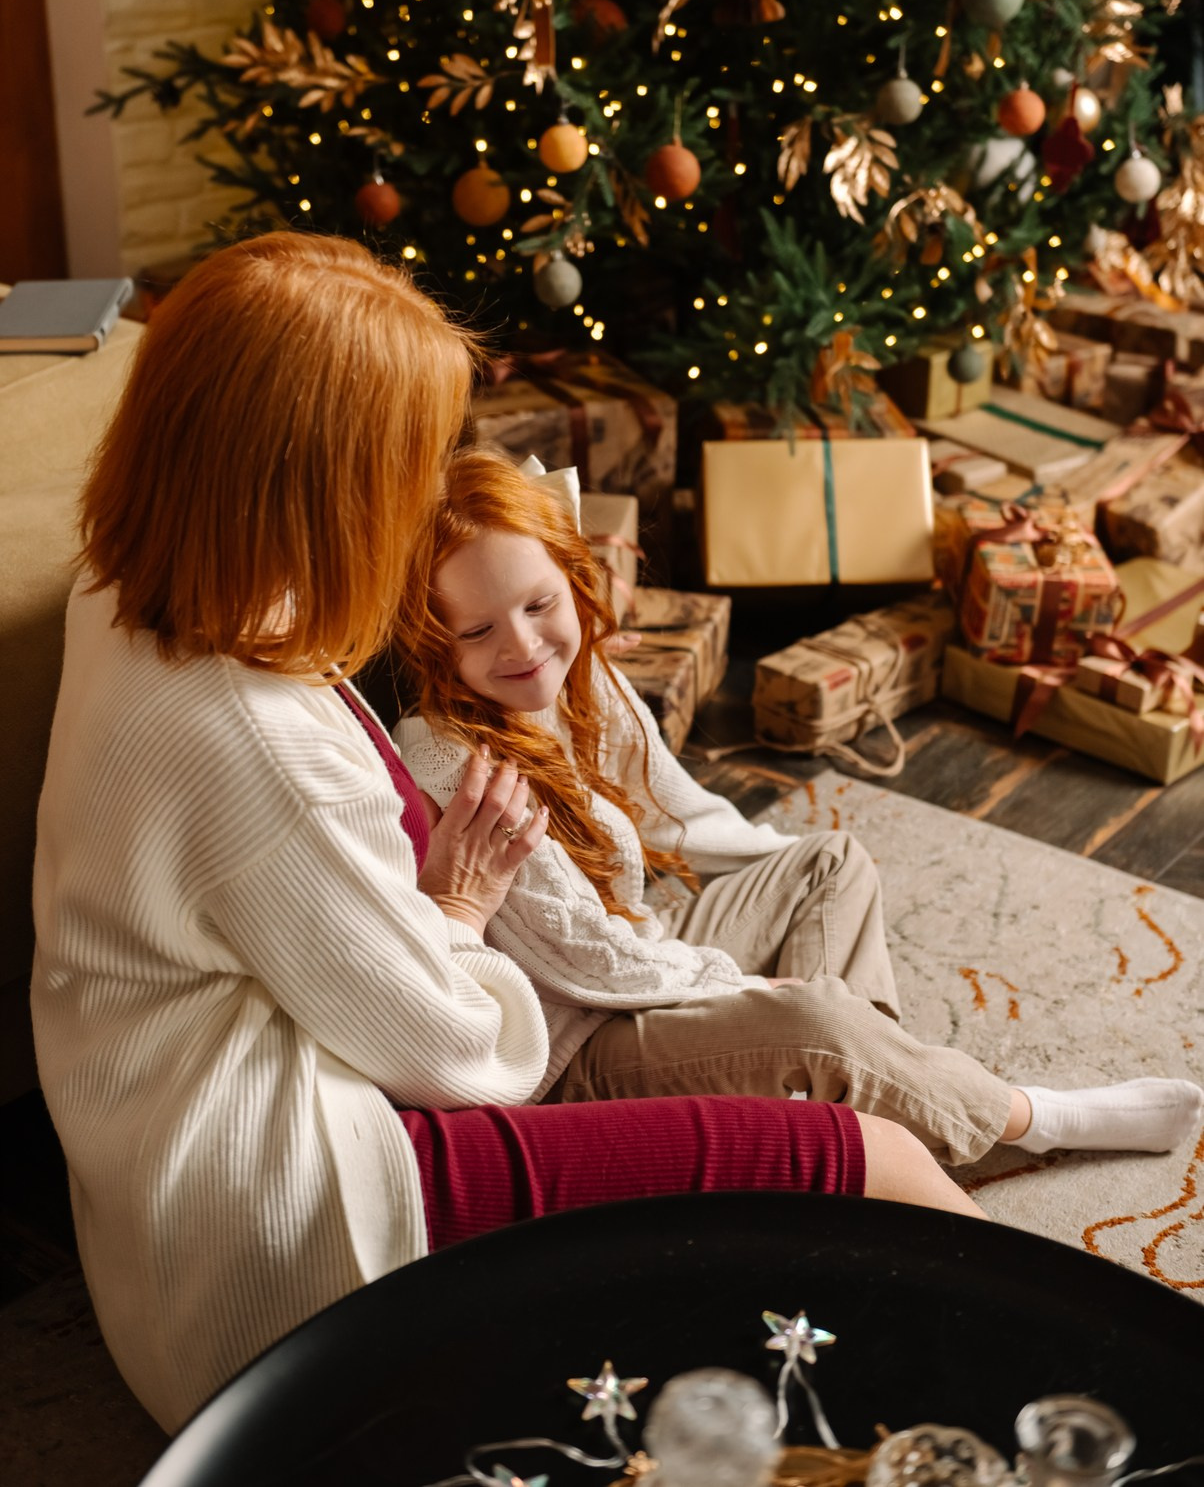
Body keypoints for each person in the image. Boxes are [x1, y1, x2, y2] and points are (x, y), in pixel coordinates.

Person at [30, 233, 976, 1439]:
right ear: (317, 485)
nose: (423, 493)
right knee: (876, 1164)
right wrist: (461, 909)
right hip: (311, 1228)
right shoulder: (253, 742)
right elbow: (460, 1056)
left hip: (166, 1204)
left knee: (812, 1108)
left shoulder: (124, 587)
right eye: (404, 462)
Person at [393, 447, 1204, 1169]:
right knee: (817, 1018)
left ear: (573, 582)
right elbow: (588, 965)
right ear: (436, 643)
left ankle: (871, 1111)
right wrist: (750, 990)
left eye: (539, 605)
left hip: (636, 950)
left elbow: (682, 815)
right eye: (478, 630)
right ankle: (1030, 1117)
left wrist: (775, 924)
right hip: (576, 1046)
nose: (522, 645)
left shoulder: (576, 676)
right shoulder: (457, 762)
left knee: (830, 864)